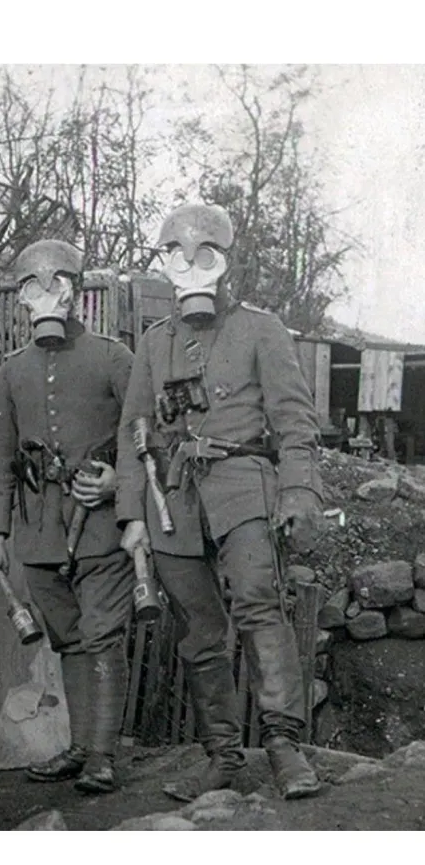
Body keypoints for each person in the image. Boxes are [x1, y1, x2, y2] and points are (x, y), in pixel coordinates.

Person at [115, 202, 324, 801]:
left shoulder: (262, 329)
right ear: (162, 266)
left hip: (244, 485)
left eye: (202, 257)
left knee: (260, 609)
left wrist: (299, 488)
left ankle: (285, 747)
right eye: (176, 258)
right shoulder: (155, 343)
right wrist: (132, 515)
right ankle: (222, 755)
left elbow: (294, 418)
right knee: (199, 630)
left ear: (225, 264)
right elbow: (134, 430)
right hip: (172, 498)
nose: (190, 270)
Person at [0, 240, 136, 794]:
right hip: (39, 527)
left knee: (101, 634)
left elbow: (144, 436)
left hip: (99, 523)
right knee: (68, 638)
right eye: (32, 286)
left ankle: (102, 757)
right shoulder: (11, 371)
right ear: (20, 298)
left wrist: (120, 485)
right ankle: (80, 746)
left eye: (57, 284)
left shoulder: (114, 357)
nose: (45, 296)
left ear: (76, 292)